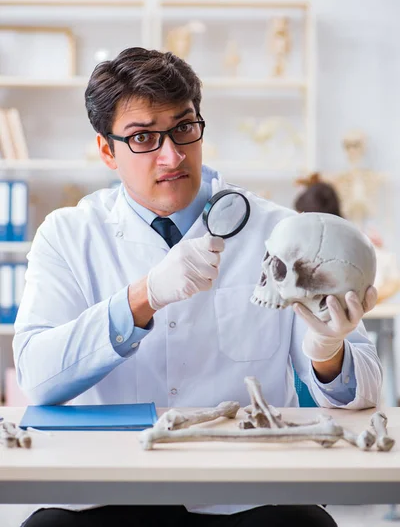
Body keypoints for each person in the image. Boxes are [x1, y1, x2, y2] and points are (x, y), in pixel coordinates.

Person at [15, 47, 381, 527]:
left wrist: (328, 350)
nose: (173, 155)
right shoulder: (68, 235)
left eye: (184, 128)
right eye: (143, 137)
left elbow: (367, 389)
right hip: (109, 491)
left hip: (250, 494)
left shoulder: (281, 231)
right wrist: (141, 297)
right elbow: (37, 380)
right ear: (107, 150)